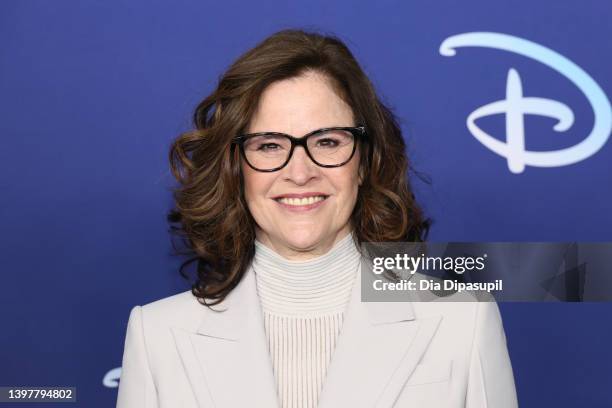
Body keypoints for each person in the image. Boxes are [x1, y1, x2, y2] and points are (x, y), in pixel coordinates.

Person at [116, 29, 518, 408]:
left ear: (364, 161)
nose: (300, 171)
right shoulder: (157, 336)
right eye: (270, 145)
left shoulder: (462, 321)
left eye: (327, 141)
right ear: (235, 168)